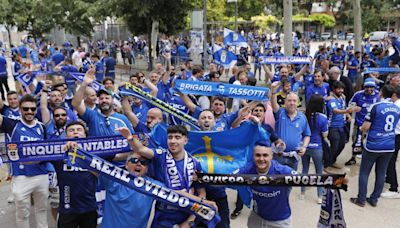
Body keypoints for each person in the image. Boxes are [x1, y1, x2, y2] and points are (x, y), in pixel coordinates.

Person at [119, 125, 208, 227]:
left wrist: (190, 220)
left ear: (186, 140)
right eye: (170, 137)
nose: (173, 141)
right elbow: (140, 150)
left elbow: (201, 194)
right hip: (162, 216)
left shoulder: (195, 163)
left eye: (177, 137)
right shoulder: (160, 155)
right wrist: (130, 138)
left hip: (186, 214)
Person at [0, 94, 49, 228]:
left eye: (32, 109)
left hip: (41, 174)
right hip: (21, 177)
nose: (29, 112)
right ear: (20, 109)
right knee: (22, 213)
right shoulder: (12, 124)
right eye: (26, 109)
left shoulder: (41, 127)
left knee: (42, 210)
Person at [351, 85, 400, 207]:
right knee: (381, 172)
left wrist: (362, 129)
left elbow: (366, 127)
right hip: (389, 144)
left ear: (381, 93)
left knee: (364, 172)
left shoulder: (376, 106)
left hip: (373, 144)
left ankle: (361, 199)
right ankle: (374, 199)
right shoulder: (396, 108)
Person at [234, 141, 296, 228]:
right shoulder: (248, 169)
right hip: (257, 218)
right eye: (258, 155)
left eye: (265, 155)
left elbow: (305, 179)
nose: (261, 159)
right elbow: (229, 178)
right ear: (253, 156)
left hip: (280, 221)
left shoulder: (282, 171)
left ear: (271, 156)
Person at [55, 121, 98, 228]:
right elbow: (32, 158)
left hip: (89, 207)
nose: (75, 132)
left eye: (79, 130)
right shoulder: (58, 152)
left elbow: (117, 157)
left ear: (85, 134)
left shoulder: (95, 152)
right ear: (66, 135)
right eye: (71, 130)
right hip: (67, 207)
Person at [270, 82, 311, 171]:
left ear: (298, 103)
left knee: (290, 182)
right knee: (275, 182)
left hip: (293, 158)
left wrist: (304, 147)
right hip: (278, 156)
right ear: (285, 102)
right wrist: (273, 91)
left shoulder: (302, 117)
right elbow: (273, 105)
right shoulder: (280, 113)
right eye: (289, 101)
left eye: (294, 101)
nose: (292, 103)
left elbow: (307, 134)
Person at [300, 95, 328, 204]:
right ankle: (319, 196)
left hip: (304, 146)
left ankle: (302, 193)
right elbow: (325, 134)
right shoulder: (323, 118)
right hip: (317, 147)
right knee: (318, 172)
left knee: (304, 169)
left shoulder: (304, 116)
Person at [345, 78, 380, 166]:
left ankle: (369, 160)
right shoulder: (358, 95)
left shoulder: (378, 95)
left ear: (374, 87)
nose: (369, 89)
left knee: (371, 142)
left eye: (371, 87)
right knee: (355, 141)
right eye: (367, 87)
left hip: (372, 124)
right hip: (359, 123)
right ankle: (353, 158)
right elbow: (350, 105)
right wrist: (353, 110)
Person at [325, 81, 354, 172]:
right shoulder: (331, 100)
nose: (341, 90)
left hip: (342, 125)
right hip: (332, 127)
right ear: (334, 90)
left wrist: (348, 116)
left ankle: (332, 160)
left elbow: (342, 108)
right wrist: (347, 111)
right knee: (335, 145)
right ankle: (326, 164)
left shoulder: (342, 98)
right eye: (339, 89)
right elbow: (335, 110)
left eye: (342, 88)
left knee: (342, 144)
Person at [382, 85, 400, 198]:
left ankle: (394, 188)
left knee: (390, 160)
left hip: (396, 135)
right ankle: (389, 178)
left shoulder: (395, 106)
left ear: (394, 95)